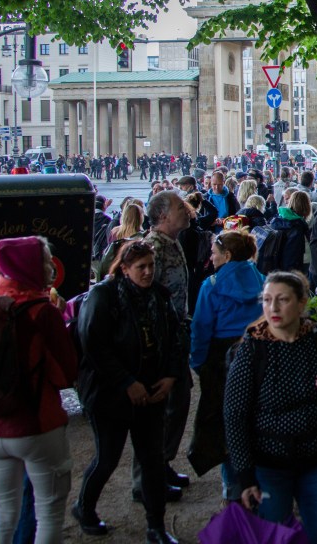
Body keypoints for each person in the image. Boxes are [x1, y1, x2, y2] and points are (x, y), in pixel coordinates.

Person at [224, 272, 317, 544]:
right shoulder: (251, 350)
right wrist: (245, 474)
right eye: (267, 300)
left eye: (282, 300)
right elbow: (234, 415)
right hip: (268, 466)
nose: (273, 308)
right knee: (273, 538)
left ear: (301, 302)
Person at [74, 240, 182, 544]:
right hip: (110, 394)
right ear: (124, 269)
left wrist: (171, 375)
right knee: (107, 458)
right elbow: (93, 345)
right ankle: (85, 507)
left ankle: (156, 527)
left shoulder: (160, 296)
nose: (148, 272)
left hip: (152, 391)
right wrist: (125, 382)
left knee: (151, 460)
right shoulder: (103, 297)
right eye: (141, 267)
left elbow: (176, 336)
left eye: (151, 266)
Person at [0, 237, 77, 544]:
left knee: (2, 514)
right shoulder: (41, 310)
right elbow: (66, 372)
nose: (51, 267)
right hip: (36, 422)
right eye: (46, 260)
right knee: (48, 512)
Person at [187, 231, 263, 502]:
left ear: (227, 256)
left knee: (226, 421)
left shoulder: (211, 284)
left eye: (214, 252)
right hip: (256, 351)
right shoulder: (261, 279)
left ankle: (232, 484)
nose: (211, 256)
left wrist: (197, 362)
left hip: (221, 358)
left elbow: (201, 327)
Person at [139, 191, 194, 498]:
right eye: (178, 207)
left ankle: (162, 462)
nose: (186, 211)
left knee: (179, 399)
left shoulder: (172, 242)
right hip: (158, 341)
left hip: (175, 334)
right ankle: (147, 477)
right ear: (162, 216)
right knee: (158, 408)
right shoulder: (153, 247)